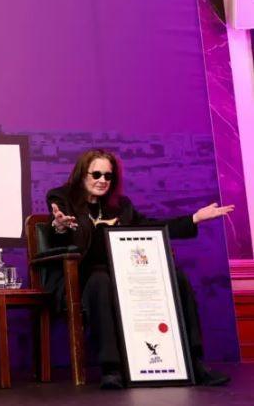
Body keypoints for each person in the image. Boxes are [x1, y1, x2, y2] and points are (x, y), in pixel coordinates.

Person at [46, 148, 233, 389]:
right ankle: (111, 369)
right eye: (96, 174)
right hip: (82, 275)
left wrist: (193, 219)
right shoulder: (62, 199)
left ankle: (193, 361)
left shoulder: (121, 206)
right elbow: (56, 236)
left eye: (108, 176)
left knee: (177, 277)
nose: (102, 180)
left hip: (125, 274)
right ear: (82, 174)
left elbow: (151, 226)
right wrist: (60, 226)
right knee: (100, 281)